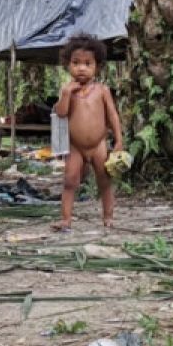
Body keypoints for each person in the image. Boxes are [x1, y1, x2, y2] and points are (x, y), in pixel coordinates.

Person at [51, 35, 123, 230]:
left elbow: (113, 116)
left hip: (98, 145)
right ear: (67, 65)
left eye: (87, 63)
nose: (81, 68)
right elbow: (61, 113)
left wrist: (118, 140)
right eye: (76, 63)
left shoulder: (102, 90)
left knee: (104, 181)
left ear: (97, 67)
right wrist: (66, 94)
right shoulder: (67, 90)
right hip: (75, 146)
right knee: (70, 181)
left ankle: (108, 218)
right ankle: (66, 219)